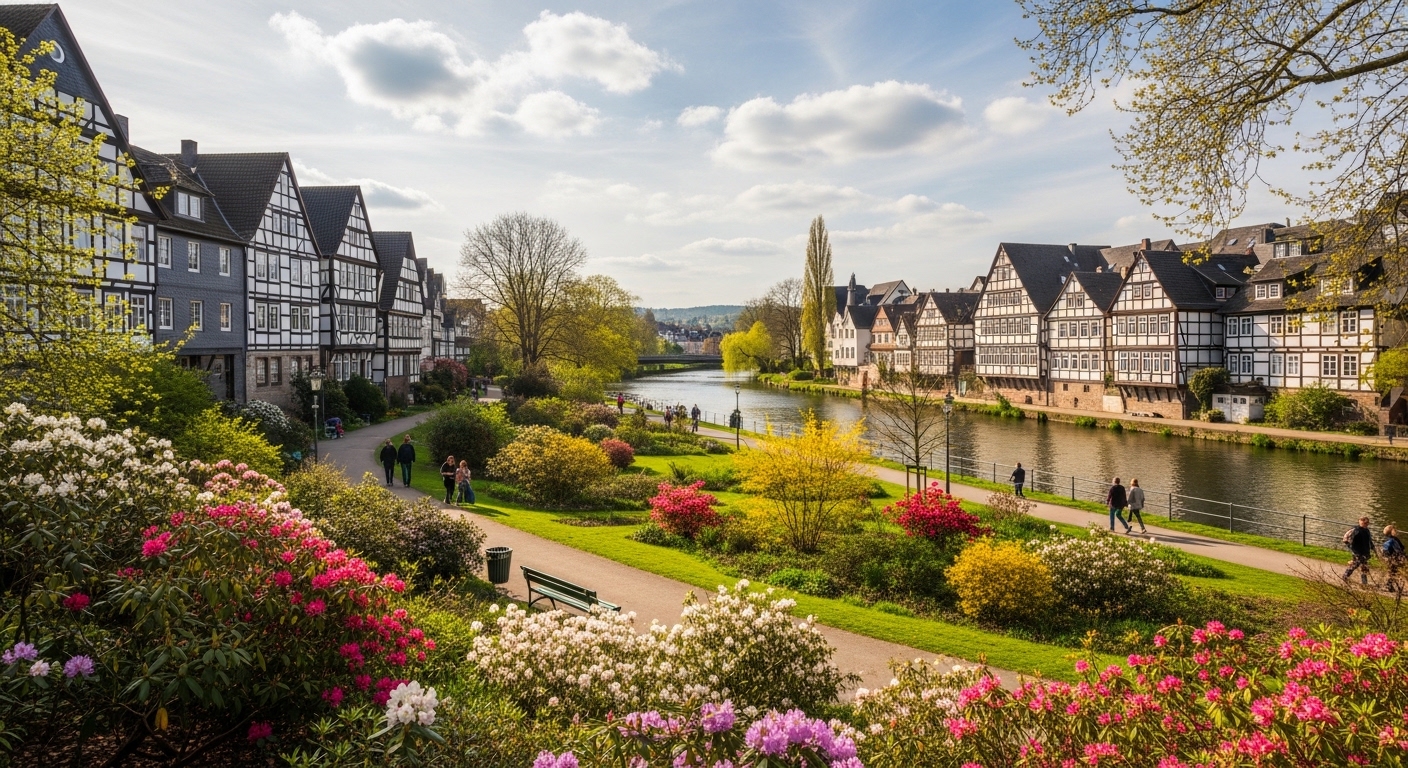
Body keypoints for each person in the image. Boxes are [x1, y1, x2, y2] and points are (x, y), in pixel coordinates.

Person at [1342, 517, 1374, 585]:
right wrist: (1350, 546)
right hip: (1357, 552)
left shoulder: (1367, 531)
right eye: (1364, 523)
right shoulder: (1355, 530)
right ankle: (1345, 576)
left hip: (1365, 552)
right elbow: (1345, 538)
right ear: (1360, 522)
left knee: (1364, 567)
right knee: (1355, 565)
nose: (1366, 524)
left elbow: (1369, 540)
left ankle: (1364, 583)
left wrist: (1372, 547)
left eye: (1367, 523)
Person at [1383, 524, 1405, 594]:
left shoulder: (1389, 540)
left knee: (1393, 572)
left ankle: (1390, 585)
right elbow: (1400, 549)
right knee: (1395, 572)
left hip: (1391, 558)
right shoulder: (1393, 540)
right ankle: (1390, 585)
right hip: (1395, 558)